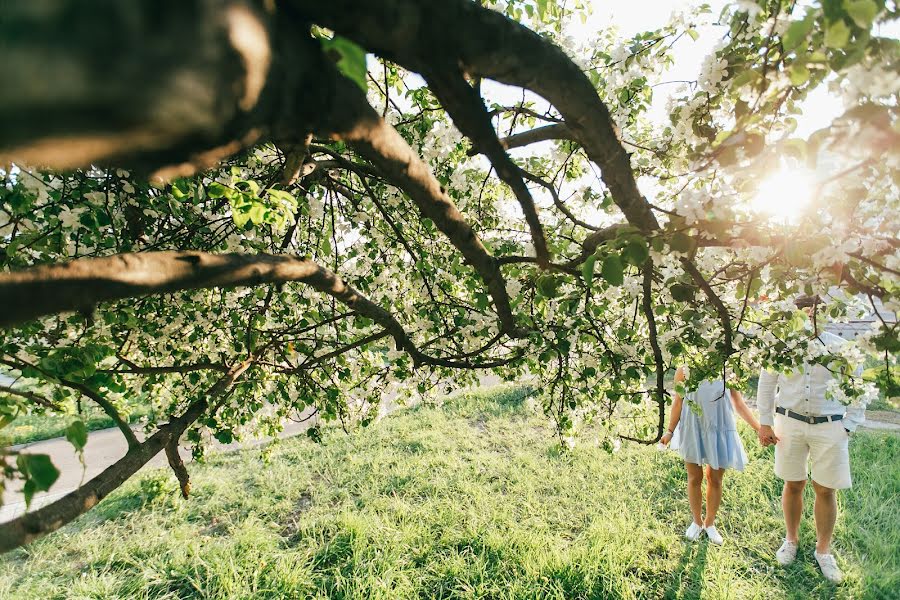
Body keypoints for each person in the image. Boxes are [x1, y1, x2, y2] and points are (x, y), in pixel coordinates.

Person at [757, 298, 867, 584]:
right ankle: (791, 540)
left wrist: (849, 426)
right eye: (804, 312)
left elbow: (858, 387)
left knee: (825, 489)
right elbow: (767, 383)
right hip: (789, 423)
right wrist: (765, 422)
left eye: (816, 312)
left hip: (829, 426)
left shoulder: (841, 348)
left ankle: (823, 551)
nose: (810, 317)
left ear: (824, 315)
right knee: (793, 483)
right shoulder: (782, 346)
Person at [661, 366, 761, 545]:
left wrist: (760, 428)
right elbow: (678, 402)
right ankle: (696, 522)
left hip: (719, 429)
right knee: (694, 477)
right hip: (692, 428)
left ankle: (710, 523)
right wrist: (669, 431)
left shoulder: (728, 368)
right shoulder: (684, 369)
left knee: (715, 478)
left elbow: (738, 403)